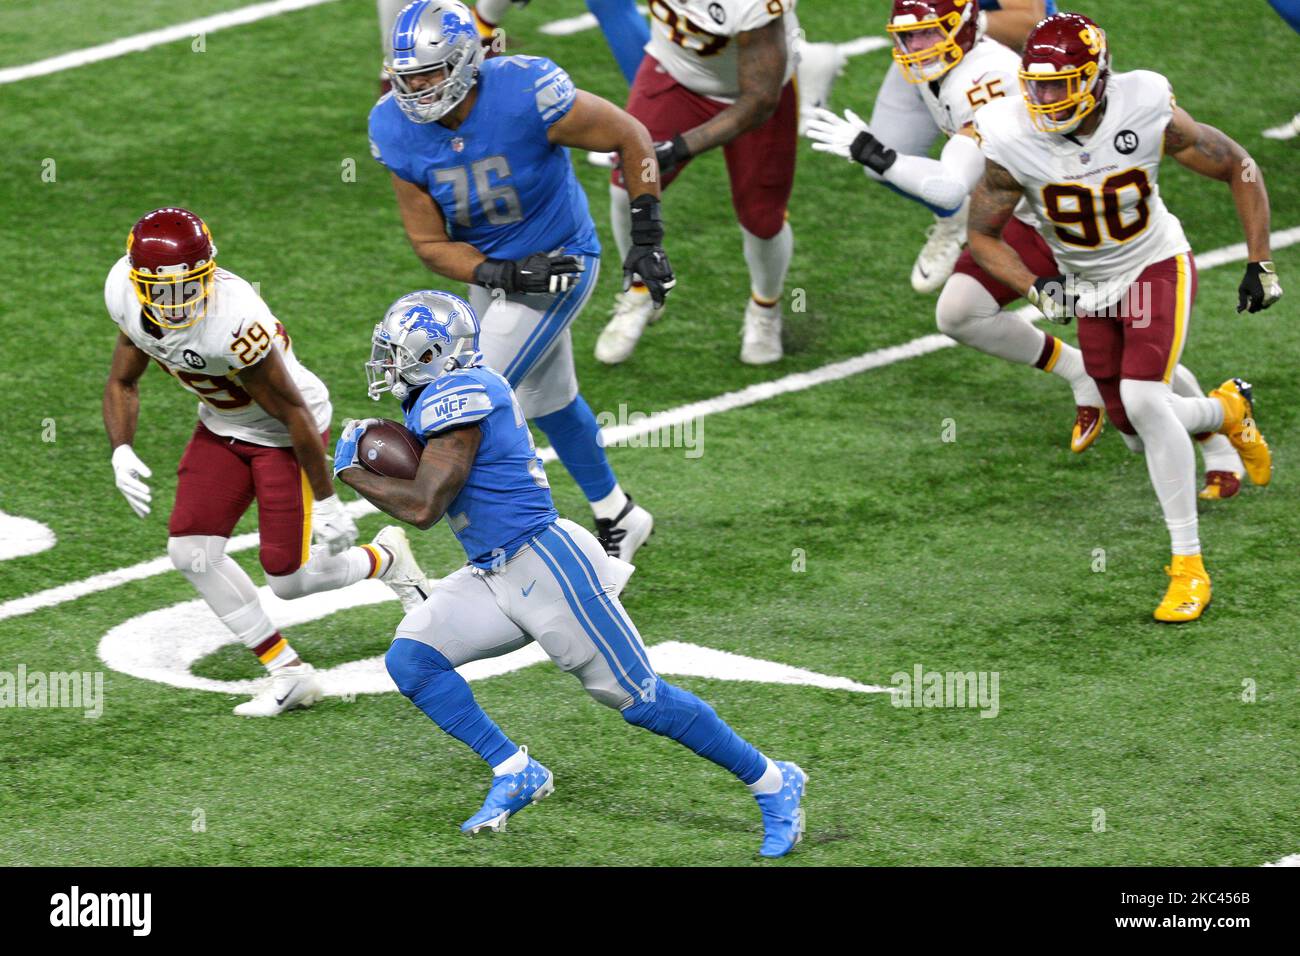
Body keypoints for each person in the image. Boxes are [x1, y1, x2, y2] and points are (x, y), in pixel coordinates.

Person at [334, 289, 807, 856]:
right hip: (491, 572)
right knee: (412, 659)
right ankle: (516, 770)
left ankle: (773, 782)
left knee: (642, 700)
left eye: (398, 352)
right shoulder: (441, 393)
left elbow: (424, 506)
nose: (387, 364)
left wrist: (353, 470)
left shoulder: (463, 394)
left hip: (547, 565)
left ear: (434, 354)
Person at [966, 13, 1283, 621]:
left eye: (1060, 84)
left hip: (1154, 264)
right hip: (1088, 285)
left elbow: (1238, 164)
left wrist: (1260, 261)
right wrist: (1037, 288)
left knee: (1144, 399)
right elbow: (982, 235)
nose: (1044, 97)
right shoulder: (1008, 134)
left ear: (1096, 78)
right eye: (1036, 84)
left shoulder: (1142, 103)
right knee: (1134, 428)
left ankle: (1189, 566)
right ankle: (1225, 410)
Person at [369, 0, 676, 561]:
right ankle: (619, 514)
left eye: (431, 72)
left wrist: (647, 239)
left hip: (560, 261)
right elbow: (430, 245)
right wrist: (499, 273)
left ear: (466, 61)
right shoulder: (393, 125)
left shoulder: (527, 91)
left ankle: (514, 542)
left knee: (467, 396)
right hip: (494, 271)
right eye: (408, 77)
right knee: (548, 399)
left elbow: (631, 135)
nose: (418, 90)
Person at [102, 208, 428, 716]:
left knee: (289, 579)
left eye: (188, 286)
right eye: (161, 290)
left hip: (283, 433)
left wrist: (327, 501)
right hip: (220, 424)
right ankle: (289, 672)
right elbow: (124, 378)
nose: (177, 302)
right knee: (192, 553)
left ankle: (385, 560)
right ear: (138, 282)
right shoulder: (122, 290)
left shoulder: (233, 322)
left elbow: (294, 413)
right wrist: (121, 448)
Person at [596, 0, 801, 366]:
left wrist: (677, 149)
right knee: (626, 187)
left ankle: (765, 308)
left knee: (761, 218)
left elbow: (760, 100)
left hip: (751, 94)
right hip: (673, 72)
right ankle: (642, 288)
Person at [865, 0, 1054, 294]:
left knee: (1019, 183)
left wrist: (959, 22)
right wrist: (926, 32)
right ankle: (955, 216)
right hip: (935, 40)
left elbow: (1029, 23)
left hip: (1007, 53)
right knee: (882, 159)